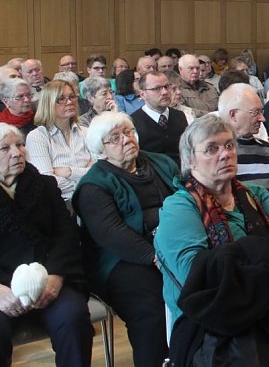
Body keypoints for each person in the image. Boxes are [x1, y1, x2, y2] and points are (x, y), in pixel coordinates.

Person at [153, 116, 269, 365]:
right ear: (190, 160)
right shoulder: (179, 207)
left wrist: (252, 263)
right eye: (212, 149)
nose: (225, 154)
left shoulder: (257, 195)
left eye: (229, 146)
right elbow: (196, 274)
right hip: (215, 319)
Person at [72, 112, 177, 367]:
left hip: (174, 249)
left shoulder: (162, 163)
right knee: (151, 308)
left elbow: (187, 199)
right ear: (101, 149)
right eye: (115, 138)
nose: (126, 139)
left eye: (129, 132)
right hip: (122, 261)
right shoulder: (93, 186)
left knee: (204, 287)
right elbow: (113, 235)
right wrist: (158, 258)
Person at [0, 123, 93, 367]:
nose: (17, 152)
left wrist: (56, 276)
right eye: (5, 148)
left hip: (49, 278)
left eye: (19, 145)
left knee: (73, 318)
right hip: (1, 287)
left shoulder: (44, 185)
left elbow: (66, 235)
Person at [26, 80, 93, 200]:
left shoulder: (86, 132)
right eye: (61, 99)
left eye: (72, 97)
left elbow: (100, 170)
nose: (69, 102)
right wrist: (86, 180)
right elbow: (47, 182)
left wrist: (69, 172)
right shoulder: (37, 137)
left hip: (92, 198)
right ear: (48, 103)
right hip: (61, 203)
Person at [131, 71, 188, 166]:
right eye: (157, 88)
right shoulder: (133, 122)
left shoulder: (180, 116)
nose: (165, 92)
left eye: (166, 87)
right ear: (142, 94)